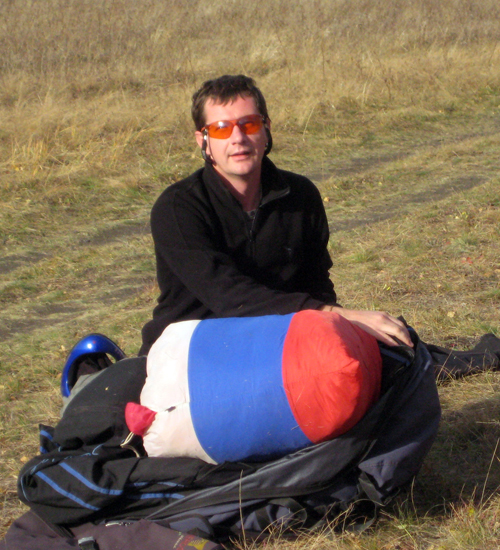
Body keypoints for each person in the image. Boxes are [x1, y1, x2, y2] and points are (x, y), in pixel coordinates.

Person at [139, 74, 412, 356]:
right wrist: (335, 315)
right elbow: (230, 297)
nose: (238, 138)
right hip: (191, 352)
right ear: (203, 140)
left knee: (395, 351)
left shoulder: (301, 194)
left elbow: (316, 286)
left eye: (249, 124)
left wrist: (343, 328)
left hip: (280, 341)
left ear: (266, 129)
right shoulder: (178, 208)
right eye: (221, 129)